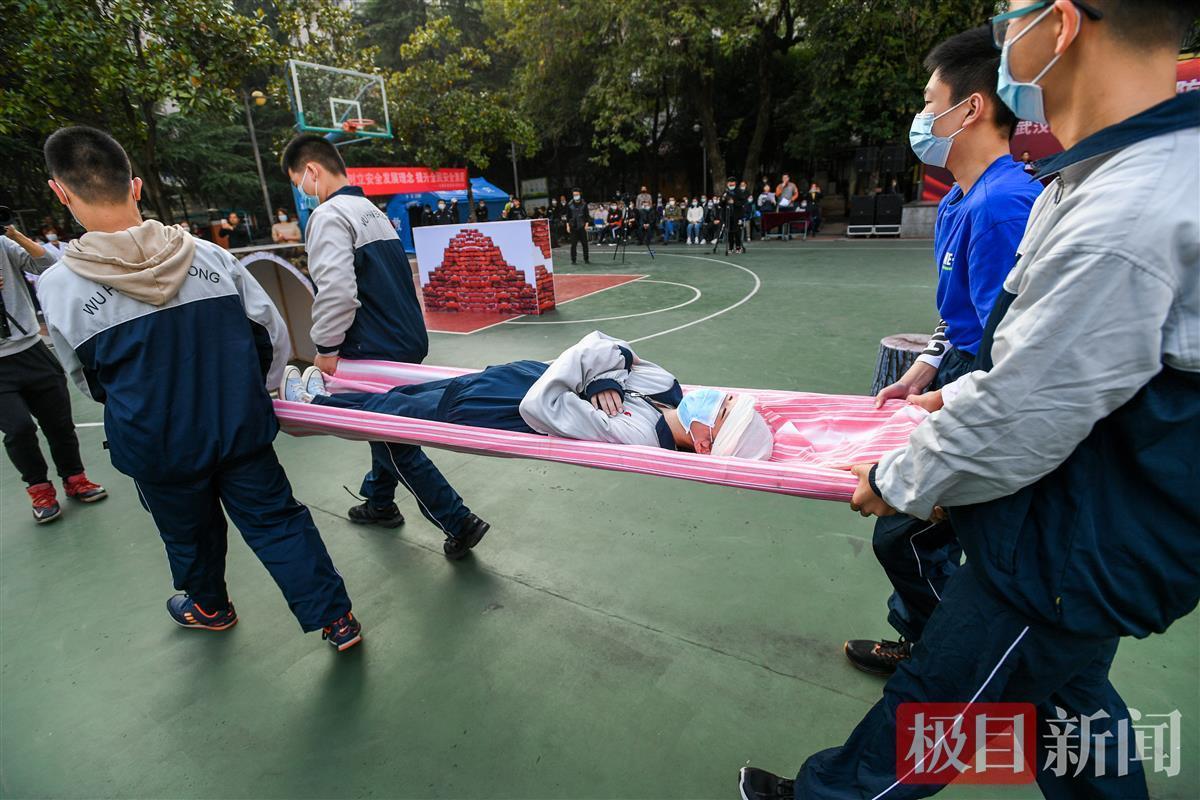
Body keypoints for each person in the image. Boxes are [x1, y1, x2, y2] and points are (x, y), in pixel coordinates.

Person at [742, 1, 1200, 796]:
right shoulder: (1109, 175)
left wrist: (896, 479)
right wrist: (948, 399)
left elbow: (1025, 414)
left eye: (1009, 16)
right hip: (1087, 530)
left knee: (932, 717)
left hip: (1064, 545)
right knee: (1072, 707)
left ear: (1059, 25)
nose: (1001, 36)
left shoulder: (1123, 211)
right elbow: (1038, 359)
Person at [39, 126, 361, 650]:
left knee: (188, 535)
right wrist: (251, 395)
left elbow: (86, 378)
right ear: (136, 187)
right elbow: (271, 338)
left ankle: (210, 606)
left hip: (156, 444)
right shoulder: (211, 257)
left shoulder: (59, 287)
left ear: (61, 191)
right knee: (278, 521)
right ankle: (336, 619)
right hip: (239, 428)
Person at [841, 25, 1043, 679]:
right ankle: (936, 649)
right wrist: (925, 366)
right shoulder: (962, 200)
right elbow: (961, 315)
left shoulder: (1004, 206)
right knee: (914, 537)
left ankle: (944, 660)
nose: (922, 118)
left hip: (988, 391)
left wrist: (947, 407)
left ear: (972, 108)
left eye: (931, 102)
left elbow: (1011, 353)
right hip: (958, 373)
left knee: (908, 532)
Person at [281, 134, 490, 560]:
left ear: (312, 172)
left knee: (393, 438)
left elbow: (337, 292)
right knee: (383, 427)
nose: (301, 191)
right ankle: (379, 502)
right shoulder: (372, 213)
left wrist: (325, 348)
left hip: (372, 347)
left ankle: (458, 521)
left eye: (297, 181)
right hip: (406, 339)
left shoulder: (327, 216)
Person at [283, 331, 773, 460]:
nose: (719, 397)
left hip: (492, 408)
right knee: (411, 389)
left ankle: (313, 408)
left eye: (723, 411)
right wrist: (597, 377)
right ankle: (326, 390)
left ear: (706, 443)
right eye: (729, 400)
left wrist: (588, 371)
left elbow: (541, 406)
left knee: (394, 409)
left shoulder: (637, 434)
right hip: (512, 374)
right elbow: (609, 345)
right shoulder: (669, 389)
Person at [1, 221, 107, 523]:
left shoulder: (4, 246)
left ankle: (75, 479)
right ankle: (39, 489)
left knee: (59, 422)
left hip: (31, 350)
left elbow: (48, 263)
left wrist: (13, 233)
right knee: (19, 428)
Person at [565, 188, 591, 264]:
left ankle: (586, 259)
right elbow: (568, 217)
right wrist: (567, 226)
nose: (575, 196)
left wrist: (586, 225)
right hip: (573, 226)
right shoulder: (569, 204)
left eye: (577, 194)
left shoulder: (584, 204)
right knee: (573, 245)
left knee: (585, 244)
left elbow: (587, 216)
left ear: (580, 194)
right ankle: (573, 260)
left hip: (582, 226)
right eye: (574, 195)